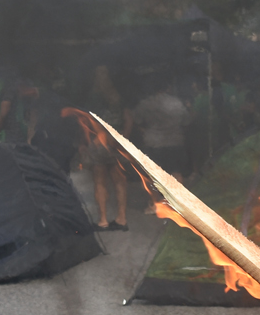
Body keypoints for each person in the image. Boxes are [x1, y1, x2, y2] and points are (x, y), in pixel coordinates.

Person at [79, 65, 131, 230]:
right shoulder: (120, 96)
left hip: (99, 144)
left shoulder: (93, 97)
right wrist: (122, 138)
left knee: (100, 181)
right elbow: (129, 119)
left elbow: (90, 121)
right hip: (118, 144)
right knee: (119, 181)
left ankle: (103, 220)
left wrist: (98, 138)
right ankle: (121, 218)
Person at [132, 82, 192, 180]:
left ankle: (157, 195)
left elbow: (135, 120)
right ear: (168, 87)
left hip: (153, 144)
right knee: (176, 173)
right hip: (175, 143)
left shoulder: (146, 103)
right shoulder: (177, 102)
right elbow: (186, 122)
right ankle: (177, 194)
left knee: (155, 176)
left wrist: (144, 131)